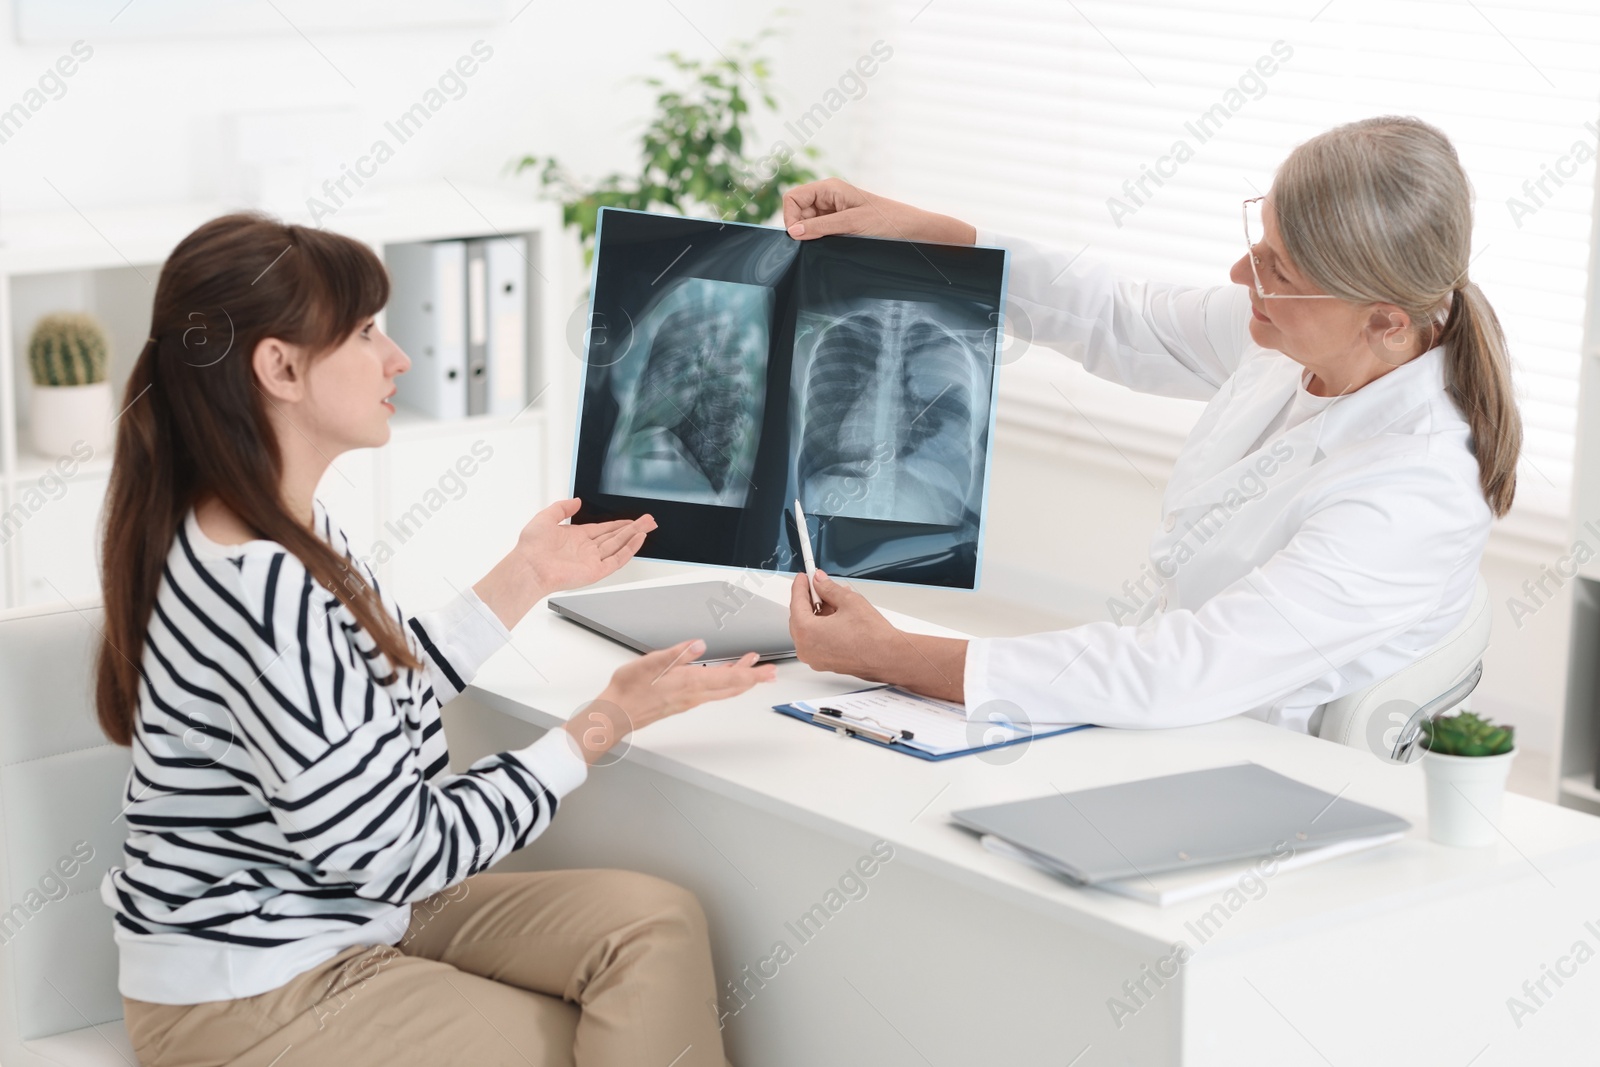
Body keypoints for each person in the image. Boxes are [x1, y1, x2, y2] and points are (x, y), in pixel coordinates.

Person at [96, 213, 774, 1067]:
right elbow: (390, 852)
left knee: (656, 925)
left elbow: (369, 702)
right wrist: (595, 729)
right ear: (280, 367)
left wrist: (523, 576)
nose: (399, 358)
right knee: (613, 1044)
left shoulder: (276, 523)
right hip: (256, 985)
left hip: (345, 910)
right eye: (367, 331)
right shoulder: (259, 585)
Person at [782, 115, 1521, 733]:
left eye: (1278, 270)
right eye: (1259, 241)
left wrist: (888, 654)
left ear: (1385, 320)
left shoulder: (1414, 491)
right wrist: (929, 239)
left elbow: (1178, 672)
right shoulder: (1316, 336)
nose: (1241, 274)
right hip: (1168, 720)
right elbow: (1120, 315)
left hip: (1253, 768)